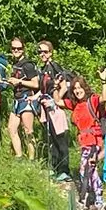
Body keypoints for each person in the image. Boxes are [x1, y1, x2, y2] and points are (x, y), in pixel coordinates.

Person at [35, 40, 71, 179]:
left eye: (45, 51)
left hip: (55, 108)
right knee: (51, 139)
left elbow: (64, 86)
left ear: (51, 52)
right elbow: (43, 89)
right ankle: (54, 168)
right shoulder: (43, 69)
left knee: (60, 138)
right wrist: (34, 98)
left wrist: (56, 101)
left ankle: (64, 170)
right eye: (40, 52)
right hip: (46, 108)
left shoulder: (54, 66)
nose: (42, 54)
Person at [68, 77, 105, 210]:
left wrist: (103, 82)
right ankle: (93, 198)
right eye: (75, 89)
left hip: (93, 140)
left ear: (85, 88)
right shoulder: (75, 105)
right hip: (84, 142)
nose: (78, 91)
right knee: (89, 170)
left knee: (86, 169)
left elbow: (104, 99)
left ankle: (92, 198)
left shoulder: (92, 100)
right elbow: (58, 100)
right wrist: (56, 87)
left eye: (79, 88)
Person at [4, 34, 38, 159]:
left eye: (19, 48)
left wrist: (19, 82)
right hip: (17, 99)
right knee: (11, 128)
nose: (16, 51)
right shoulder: (16, 63)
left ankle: (32, 159)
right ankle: (19, 156)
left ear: (23, 49)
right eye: (13, 48)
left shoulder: (28, 65)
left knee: (28, 131)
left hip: (26, 99)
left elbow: (35, 83)